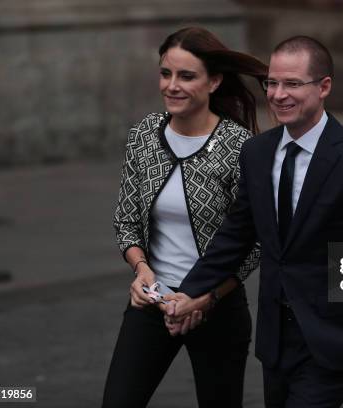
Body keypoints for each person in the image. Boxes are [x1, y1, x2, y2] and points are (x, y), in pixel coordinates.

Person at [167, 36, 343, 407]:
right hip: (275, 338)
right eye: (272, 83)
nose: (277, 94)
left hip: (333, 336)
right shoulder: (256, 153)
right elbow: (237, 234)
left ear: (324, 87)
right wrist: (191, 290)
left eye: (292, 83)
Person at [102, 27, 267, 408]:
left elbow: (255, 242)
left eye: (186, 76)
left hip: (217, 307)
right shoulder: (144, 134)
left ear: (214, 81)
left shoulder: (240, 147)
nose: (171, 86)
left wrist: (203, 297)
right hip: (153, 300)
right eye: (165, 73)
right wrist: (141, 270)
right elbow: (126, 219)